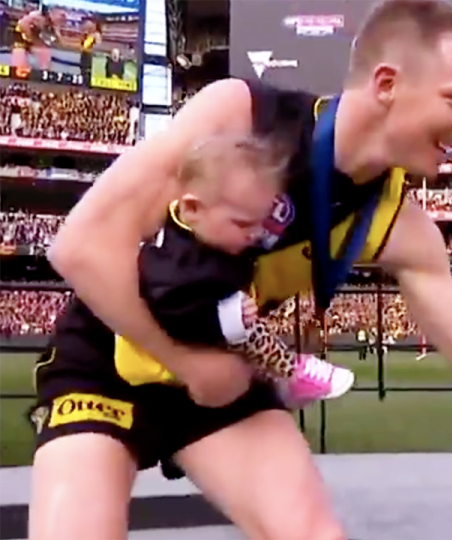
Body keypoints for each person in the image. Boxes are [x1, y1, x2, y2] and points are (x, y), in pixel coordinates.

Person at [35, 1, 452, 540]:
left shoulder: (402, 227)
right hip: (111, 355)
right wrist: (187, 362)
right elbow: (82, 246)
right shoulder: (242, 116)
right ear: (386, 84)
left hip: (226, 369)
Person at [32, 134, 356, 477]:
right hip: (166, 357)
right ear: (191, 208)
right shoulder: (178, 266)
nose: (254, 234)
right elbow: (171, 311)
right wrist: (222, 318)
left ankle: (271, 388)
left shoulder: (209, 231)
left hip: (187, 359)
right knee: (250, 341)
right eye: (244, 224)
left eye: (259, 222)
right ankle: (290, 373)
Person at [12, 6, 65, 71]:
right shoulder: (37, 16)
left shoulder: (53, 23)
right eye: (60, 17)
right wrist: (30, 37)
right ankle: (18, 70)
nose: (61, 20)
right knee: (20, 52)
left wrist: (56, 29)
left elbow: (58, 40)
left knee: (45, 51)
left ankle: (44, 70)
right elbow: (23, 24)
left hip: (34, 35)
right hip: (22, 33)